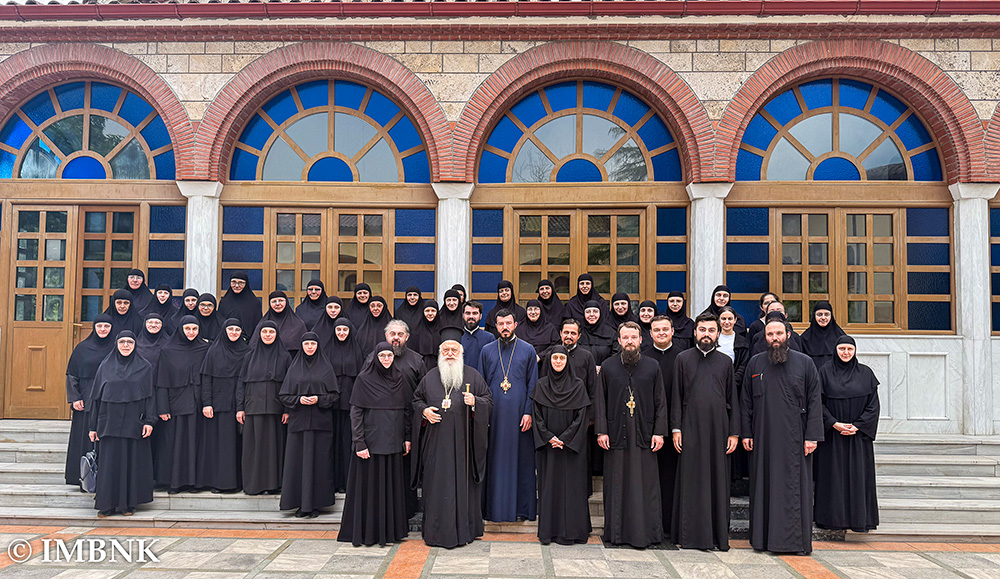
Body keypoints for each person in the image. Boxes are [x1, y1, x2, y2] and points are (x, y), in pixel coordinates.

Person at [741, 317, 824, 555]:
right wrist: (746, 432)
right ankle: (762, 540)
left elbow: (815, 401)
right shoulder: (755, 363)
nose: (774, 338)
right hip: (763, 438)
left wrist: (812, 437)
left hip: (795, 440)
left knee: (792, 490)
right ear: (764, 337)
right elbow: (746, 402)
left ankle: (793, 543)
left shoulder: (805, 363)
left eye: (778, 333)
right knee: (763, 488)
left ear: (788, 335)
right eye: (770, 335)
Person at [411, 327, 492, 548]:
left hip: (464, 445)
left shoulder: (473, 375)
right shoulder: (429, 377)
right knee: (436, 487)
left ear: (460, 353)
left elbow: (488, 400)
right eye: (445, 350)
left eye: (453, 350)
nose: (449, 354)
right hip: (436, 446)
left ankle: (465, 530)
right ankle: (436, 532)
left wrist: (475, 402)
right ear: (440, 353)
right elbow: (416, 401)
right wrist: (424, 411)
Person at [595, 321, 667, 548]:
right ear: (618, 341)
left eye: (633, 337)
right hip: (616, 434)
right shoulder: (608, 366)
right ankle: (617, 534)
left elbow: (660, 402)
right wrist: (601, 431)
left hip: (645, 435)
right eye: (625, 338)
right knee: (617, 485)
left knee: (645, 486)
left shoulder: (653, 366)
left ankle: (645, 534)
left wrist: (659, 432)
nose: (629, 342)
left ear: (641, 340)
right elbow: (600, 401)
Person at [671, 313, 740, 551]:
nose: (706, 335)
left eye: (711, 330)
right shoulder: (682, 359)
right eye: (702, 330)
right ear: (695, 332)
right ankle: (689, 536)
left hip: (719, 430)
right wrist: (676, 428)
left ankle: (717, 537)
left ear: (718, 333)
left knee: (717, 481)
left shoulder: (725, 362)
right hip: (689, 427)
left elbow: (733, 399)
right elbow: (676, 396)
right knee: (691, 481)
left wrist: (734, 433)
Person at [338, 342, 411, 546]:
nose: (386, 359)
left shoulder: (400, 378)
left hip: (393, 443)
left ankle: (390, 533)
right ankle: (369, 533)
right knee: (370, 490)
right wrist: (359, 443)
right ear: (375, 358)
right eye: (382, 356)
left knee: (391, 489)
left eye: (390, 356)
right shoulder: (364, 379)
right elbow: (356, 413)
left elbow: (406, 410)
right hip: (370, 445)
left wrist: (407, 437)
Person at [814, 335, 880, 533]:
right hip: (832, 437)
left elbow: (873, 406)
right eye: (842, 349)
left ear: (855, 351)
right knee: (832, 478)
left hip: (858, 437)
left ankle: (860, 520)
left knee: (859, 477)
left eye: (849, 349)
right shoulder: (824, 372)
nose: (846, 353)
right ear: (835, 350)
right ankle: (832, 520)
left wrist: (858, 426)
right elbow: (817, 403)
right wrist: (834, 424)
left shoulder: (866, 373)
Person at [479, 310, 539, 522]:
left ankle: (521, 509)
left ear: (515, 325)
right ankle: (493, 510)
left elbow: (533, 384)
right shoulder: (487, 350)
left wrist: (528, 412)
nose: (504, 327)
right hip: (494, 417)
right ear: (495, 326)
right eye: (500, 323)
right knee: (495, 461)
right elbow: (481, 385)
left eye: (508, 323)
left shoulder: (528, 350)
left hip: (519, 417)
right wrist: (484, 416)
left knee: (521, 462)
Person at [88, 331, 156, 517]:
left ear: (135, 345)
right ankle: (106, 505)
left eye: (130, 342)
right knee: (109, 464)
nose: (126, 345)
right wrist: (93, 427)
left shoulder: (145, 367)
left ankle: (128, 505)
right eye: (122, 342)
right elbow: (96, 398)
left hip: (133, 422)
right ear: (116, 344)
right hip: (108, 422)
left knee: (130, 463)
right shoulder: (105, 366)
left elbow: (150, 396)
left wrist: (149, 421)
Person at [532, 346, 592, 545]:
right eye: (555, 358)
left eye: (562, 358)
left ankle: (573, 532)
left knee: (573, 490)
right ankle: (549, 532)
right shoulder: (541, 385)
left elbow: (582, 417)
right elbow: (536, 415)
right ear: (549, 361)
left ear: (567, 361)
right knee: (550, 489)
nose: (558, 361)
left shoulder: (578, 386)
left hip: (572, 449)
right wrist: (549, 437)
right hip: (549, 448)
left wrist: (565, 438)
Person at [280, 332, 339, 518]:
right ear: (302, 346)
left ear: (317, 345)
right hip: (299, 425)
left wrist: (319, 399)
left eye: (313, 344)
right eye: (306, 344)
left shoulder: (326, 367)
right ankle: (300, 504)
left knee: (319, 464)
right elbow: (284, 395)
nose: (310, 347)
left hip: (321, 425)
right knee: (298, 464)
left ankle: (316, 505)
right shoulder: (294, 368)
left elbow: (335, 395)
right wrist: (299, 400)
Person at [539, 318, 599, 494]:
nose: (569, 336)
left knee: (578, 464)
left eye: (573, 333)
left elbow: (593, 389)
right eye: (566, 332)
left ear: (579, 336)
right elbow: (544, 386)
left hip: (579, 420)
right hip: (553, 421)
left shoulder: (586, 356)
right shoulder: (551, 356)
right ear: (560, 334)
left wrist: (589, 419)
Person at [153, 315, 211, 493]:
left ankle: (195, 483)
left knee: (196, 444)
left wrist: (207, 403)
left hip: (198, 404)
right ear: (180, 329)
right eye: (187, 329)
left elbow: (208, 377)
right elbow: (161, 381)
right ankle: (175, 482)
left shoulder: (205, 348)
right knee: (175, 444)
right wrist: (162, 408)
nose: (191, 332)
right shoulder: (168, 350)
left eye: (194, 329)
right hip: (175, 404)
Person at [237, 321, 291, 495]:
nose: (268, 335)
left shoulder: (285, 357)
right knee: (254, 448)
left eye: (271, 332)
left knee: (273, 448)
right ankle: (254, 485)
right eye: (264, 332)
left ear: (277, 334)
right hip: (253, 408)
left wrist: (287, 410)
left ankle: (273, 485)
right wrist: (240, 408)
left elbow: (290, 385)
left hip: (276, 410)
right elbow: (241, 383)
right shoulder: (249, 356)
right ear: (259, 334)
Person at [198, 318, 249, 493]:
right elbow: (206, 378)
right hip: (218, 405)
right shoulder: (214, 351)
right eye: (231, 329)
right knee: (221, 445)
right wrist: (207, 403)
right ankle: (220, 483)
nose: (234, 333)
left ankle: (238, 482)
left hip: (240, 404)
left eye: (237, 330)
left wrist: (243, 405)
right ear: (224, 331)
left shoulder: (247, 352)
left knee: (238, 444)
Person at [64, 314, 116, 486]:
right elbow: (72, 374)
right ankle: (83, 479)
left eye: (106, 326)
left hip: (109, 401)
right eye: (99, 326)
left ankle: (105, 480)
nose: (103, 329)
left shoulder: (117, 347)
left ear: (112, 328)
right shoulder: (82, 348)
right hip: (86, 401)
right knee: (83, 440)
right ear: (94, 328)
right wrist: (75, 398)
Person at [641, 315, 680, 531]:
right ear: (650, 333)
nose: (661, 333)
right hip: (649, 428)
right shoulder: (643, 357)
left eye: (665, 329)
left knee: (670, 477)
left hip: (674, 428)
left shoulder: (682, 357)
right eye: (657, 330)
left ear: (672, 331)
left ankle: (668, 525)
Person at [326, 318, 364, 493]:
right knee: (332, 444)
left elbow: (360, 378)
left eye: (345, 330)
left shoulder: (356, 351)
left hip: (350, 405)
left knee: (348, 442)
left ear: (350, 331)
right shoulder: (327, 350)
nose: (342, 333)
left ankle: (349, 482)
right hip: (331, 407)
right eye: (339, 330)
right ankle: (333, 482)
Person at [253, 291, 307, 357]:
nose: (278, 304)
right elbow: (254, 346)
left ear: (286, 302)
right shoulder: (263, 324)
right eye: (274, 301)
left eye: (281, 300)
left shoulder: (298, 325)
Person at [800, 301, 846, 370]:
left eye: (826, 314)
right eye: (819, 314)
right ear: (814, 316)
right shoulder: (805, 338)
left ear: (831, 316)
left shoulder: (841, 337)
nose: (823, 317)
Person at [461, 301, 493, 374]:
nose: (471, 316)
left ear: (480, 316)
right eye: (468, 313)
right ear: (463, 315)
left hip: (482, 379)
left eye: (475, 313)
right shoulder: (457, 337)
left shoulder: (489, 338)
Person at [413, 300, 442, 373]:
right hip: (422, 368)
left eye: (433, 311)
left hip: (440, 367)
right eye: (427, 311)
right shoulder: (417, 330)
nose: (430, 313)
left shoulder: (442, 329)